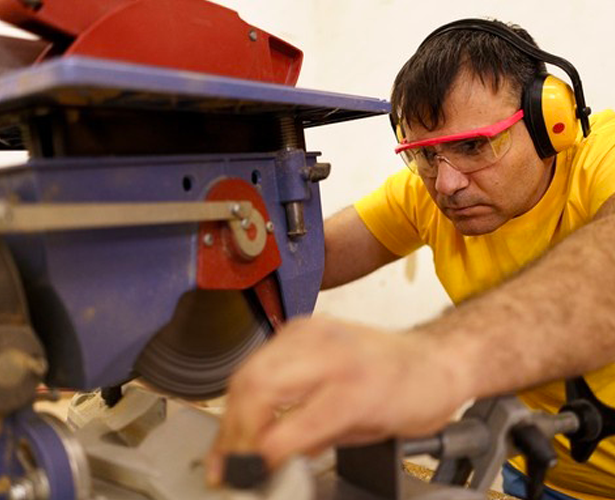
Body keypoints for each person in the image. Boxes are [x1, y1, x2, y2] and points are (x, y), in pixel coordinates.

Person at [207, 19, 615, 500]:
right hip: (537, 473)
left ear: (553, 122)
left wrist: (437, 357)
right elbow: (302, 259)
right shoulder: (426, 197)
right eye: (424, 155)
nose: (447, 185)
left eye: (473, 146)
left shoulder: (602, 157)